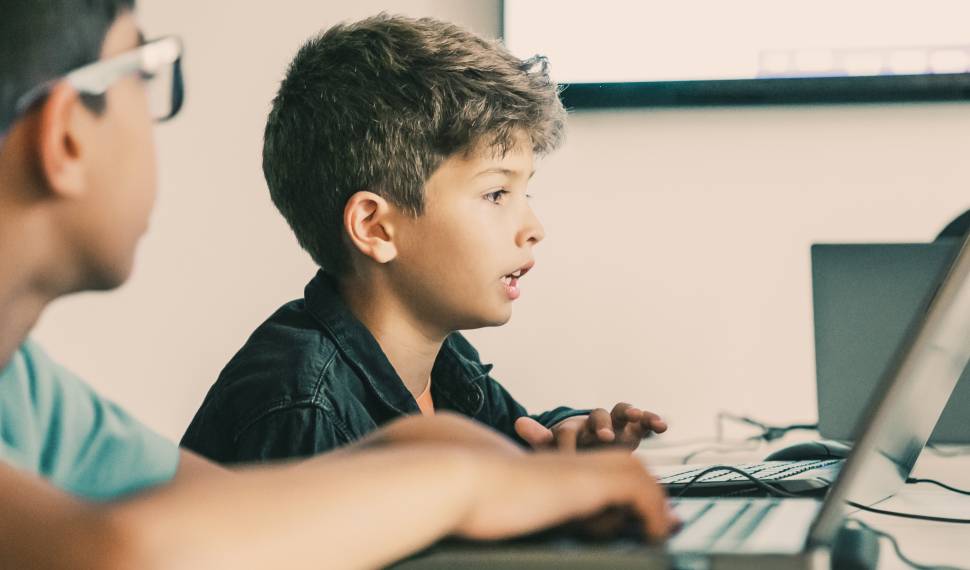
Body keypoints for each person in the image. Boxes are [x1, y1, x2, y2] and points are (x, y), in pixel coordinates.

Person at [0, 2, 677, 568]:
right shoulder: (300, 398)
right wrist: (472, 478)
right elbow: (120, 553)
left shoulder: (25, 387)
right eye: (145, 79)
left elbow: (223, 508)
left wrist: (535, 467)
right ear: (65, 138)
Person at [182, 14, 669, 466]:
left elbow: (508, 447)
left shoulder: (442, 360)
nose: (533, 228)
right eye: (497, 193)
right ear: (375, 228)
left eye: (526, 191)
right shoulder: (303, 406)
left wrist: (564, 439)